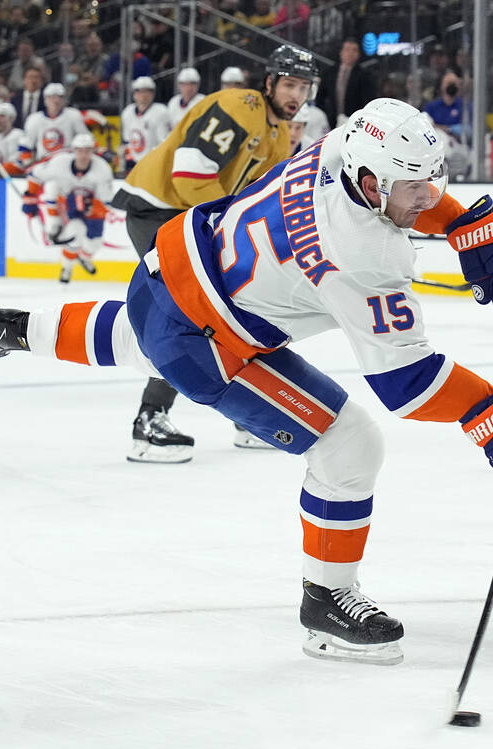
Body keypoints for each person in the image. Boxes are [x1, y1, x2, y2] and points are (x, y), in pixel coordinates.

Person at [0, 98, 493, 666]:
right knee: (350, 444)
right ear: (371, 185)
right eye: (414, 187)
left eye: (430, 182)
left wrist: (462, 226)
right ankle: (328, 602)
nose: (429, 196)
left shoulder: (341, 145)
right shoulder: (365, 257)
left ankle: (19, 329)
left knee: (141, 338)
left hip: (164, 272)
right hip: (204, 341)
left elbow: (403, 186)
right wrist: (490, 412)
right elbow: (407, 383)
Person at [111, 45, 316, 463]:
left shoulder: (278, 136)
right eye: (290, 84)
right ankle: (149, 423)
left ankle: (247, 416)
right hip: (159, 208)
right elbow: (189, 176)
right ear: (270, 82)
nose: (296, 95)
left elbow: (258, 204)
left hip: (190, 217)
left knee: (243, 305)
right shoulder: (238, 106)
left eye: (304, 87)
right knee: (185, 312)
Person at [28, 132, 114, 282]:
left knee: (95, 243)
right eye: (80, 150)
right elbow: (35, 174)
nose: (83, 155)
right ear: (74, 151)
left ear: (93, 151)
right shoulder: (59, 163)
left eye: (87, 151)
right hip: (68, 204)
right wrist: (29, 198)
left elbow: (105, 202)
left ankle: (84, 257)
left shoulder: (102, 169)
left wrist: (91, 208)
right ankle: (66, 267)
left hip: (92, 209)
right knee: (74, 233)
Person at [19, 83, 89, 167]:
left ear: (64, 100)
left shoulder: (73, 115)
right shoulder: (34, 119)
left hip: (68, 164)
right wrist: (28, 165)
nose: (56, 101)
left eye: (60, 97)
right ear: (45, 100)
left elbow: (87, 139)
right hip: (43, 165)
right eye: (52, 97)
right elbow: (25, 145)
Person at [120, 76, 173, 173]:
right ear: (135, 94)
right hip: (134, 165)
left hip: (154, 165)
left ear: (153, 94)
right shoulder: (127, 112)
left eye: (147, 91)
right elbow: (127, 141)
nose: (143, 95)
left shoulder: (161, 112)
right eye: (140, 91)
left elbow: (165, 143)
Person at [0, 102, 27, 176]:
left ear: (11, 118)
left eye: (1, 116)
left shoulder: (20, 135)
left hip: (17, 178)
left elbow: (21, 162)